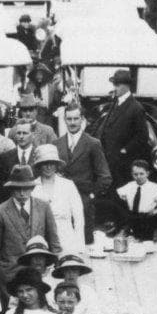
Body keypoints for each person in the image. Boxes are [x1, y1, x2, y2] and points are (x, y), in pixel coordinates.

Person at [0, 164, 62, 289]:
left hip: (38, 271)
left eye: (26, 188)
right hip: (11, 273)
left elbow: (54, 242)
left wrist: (56, 268)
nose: (22, 193)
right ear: (11, 189)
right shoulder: (0, 211)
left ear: (32, 188)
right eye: (17, 189)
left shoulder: (43, 207)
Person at [56, 104, 111, 245]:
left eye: (76, 118)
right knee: (62, 242)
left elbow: (105, 177)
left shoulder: (93, 143)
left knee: (84, 243)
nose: (72, 122)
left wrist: (92, 196)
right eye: (69, 119)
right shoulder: (56, 144)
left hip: (84, 202)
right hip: (61, 204)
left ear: (82, 120)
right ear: (65, 120)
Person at [97, 68, 150, 187]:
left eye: (117, 84)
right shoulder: (115, 103)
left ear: (126, 86)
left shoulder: (136, 108)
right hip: (109, 159)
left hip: (123, 162)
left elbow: (142, 137)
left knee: (121, 193)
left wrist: (125, 150)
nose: (114, 87)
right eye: (114, 84)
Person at [32, 144, 85, 254]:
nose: (48, 167)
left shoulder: (67, 185)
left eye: (52, 163)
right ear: (39, 165)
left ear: (56, 165)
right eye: (45, 163)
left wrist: (78, 245)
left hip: (66, 236)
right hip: (41, 237)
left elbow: (78, 216)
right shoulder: (33, 186)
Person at [115, 159, 157, 240]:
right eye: (135, 174)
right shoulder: (130, 186)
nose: (138, 177)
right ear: (132, 174)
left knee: (146, 242)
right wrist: (124, 199)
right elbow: (118, 193)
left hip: (146, 219)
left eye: (141, 174)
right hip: (132, 217)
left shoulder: (153, 187)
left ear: (147, 173)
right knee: (132, 241)